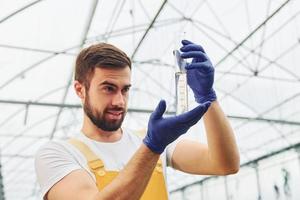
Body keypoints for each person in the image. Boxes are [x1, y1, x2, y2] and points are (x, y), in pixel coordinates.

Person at [35, 40, 240, 200]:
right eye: (108, 88)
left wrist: (208, 99)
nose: (119, 101)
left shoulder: (148, 140)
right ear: (80, 90)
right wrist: (152, 147)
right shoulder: (58, 154)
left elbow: (225, 163)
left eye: (125, 90)